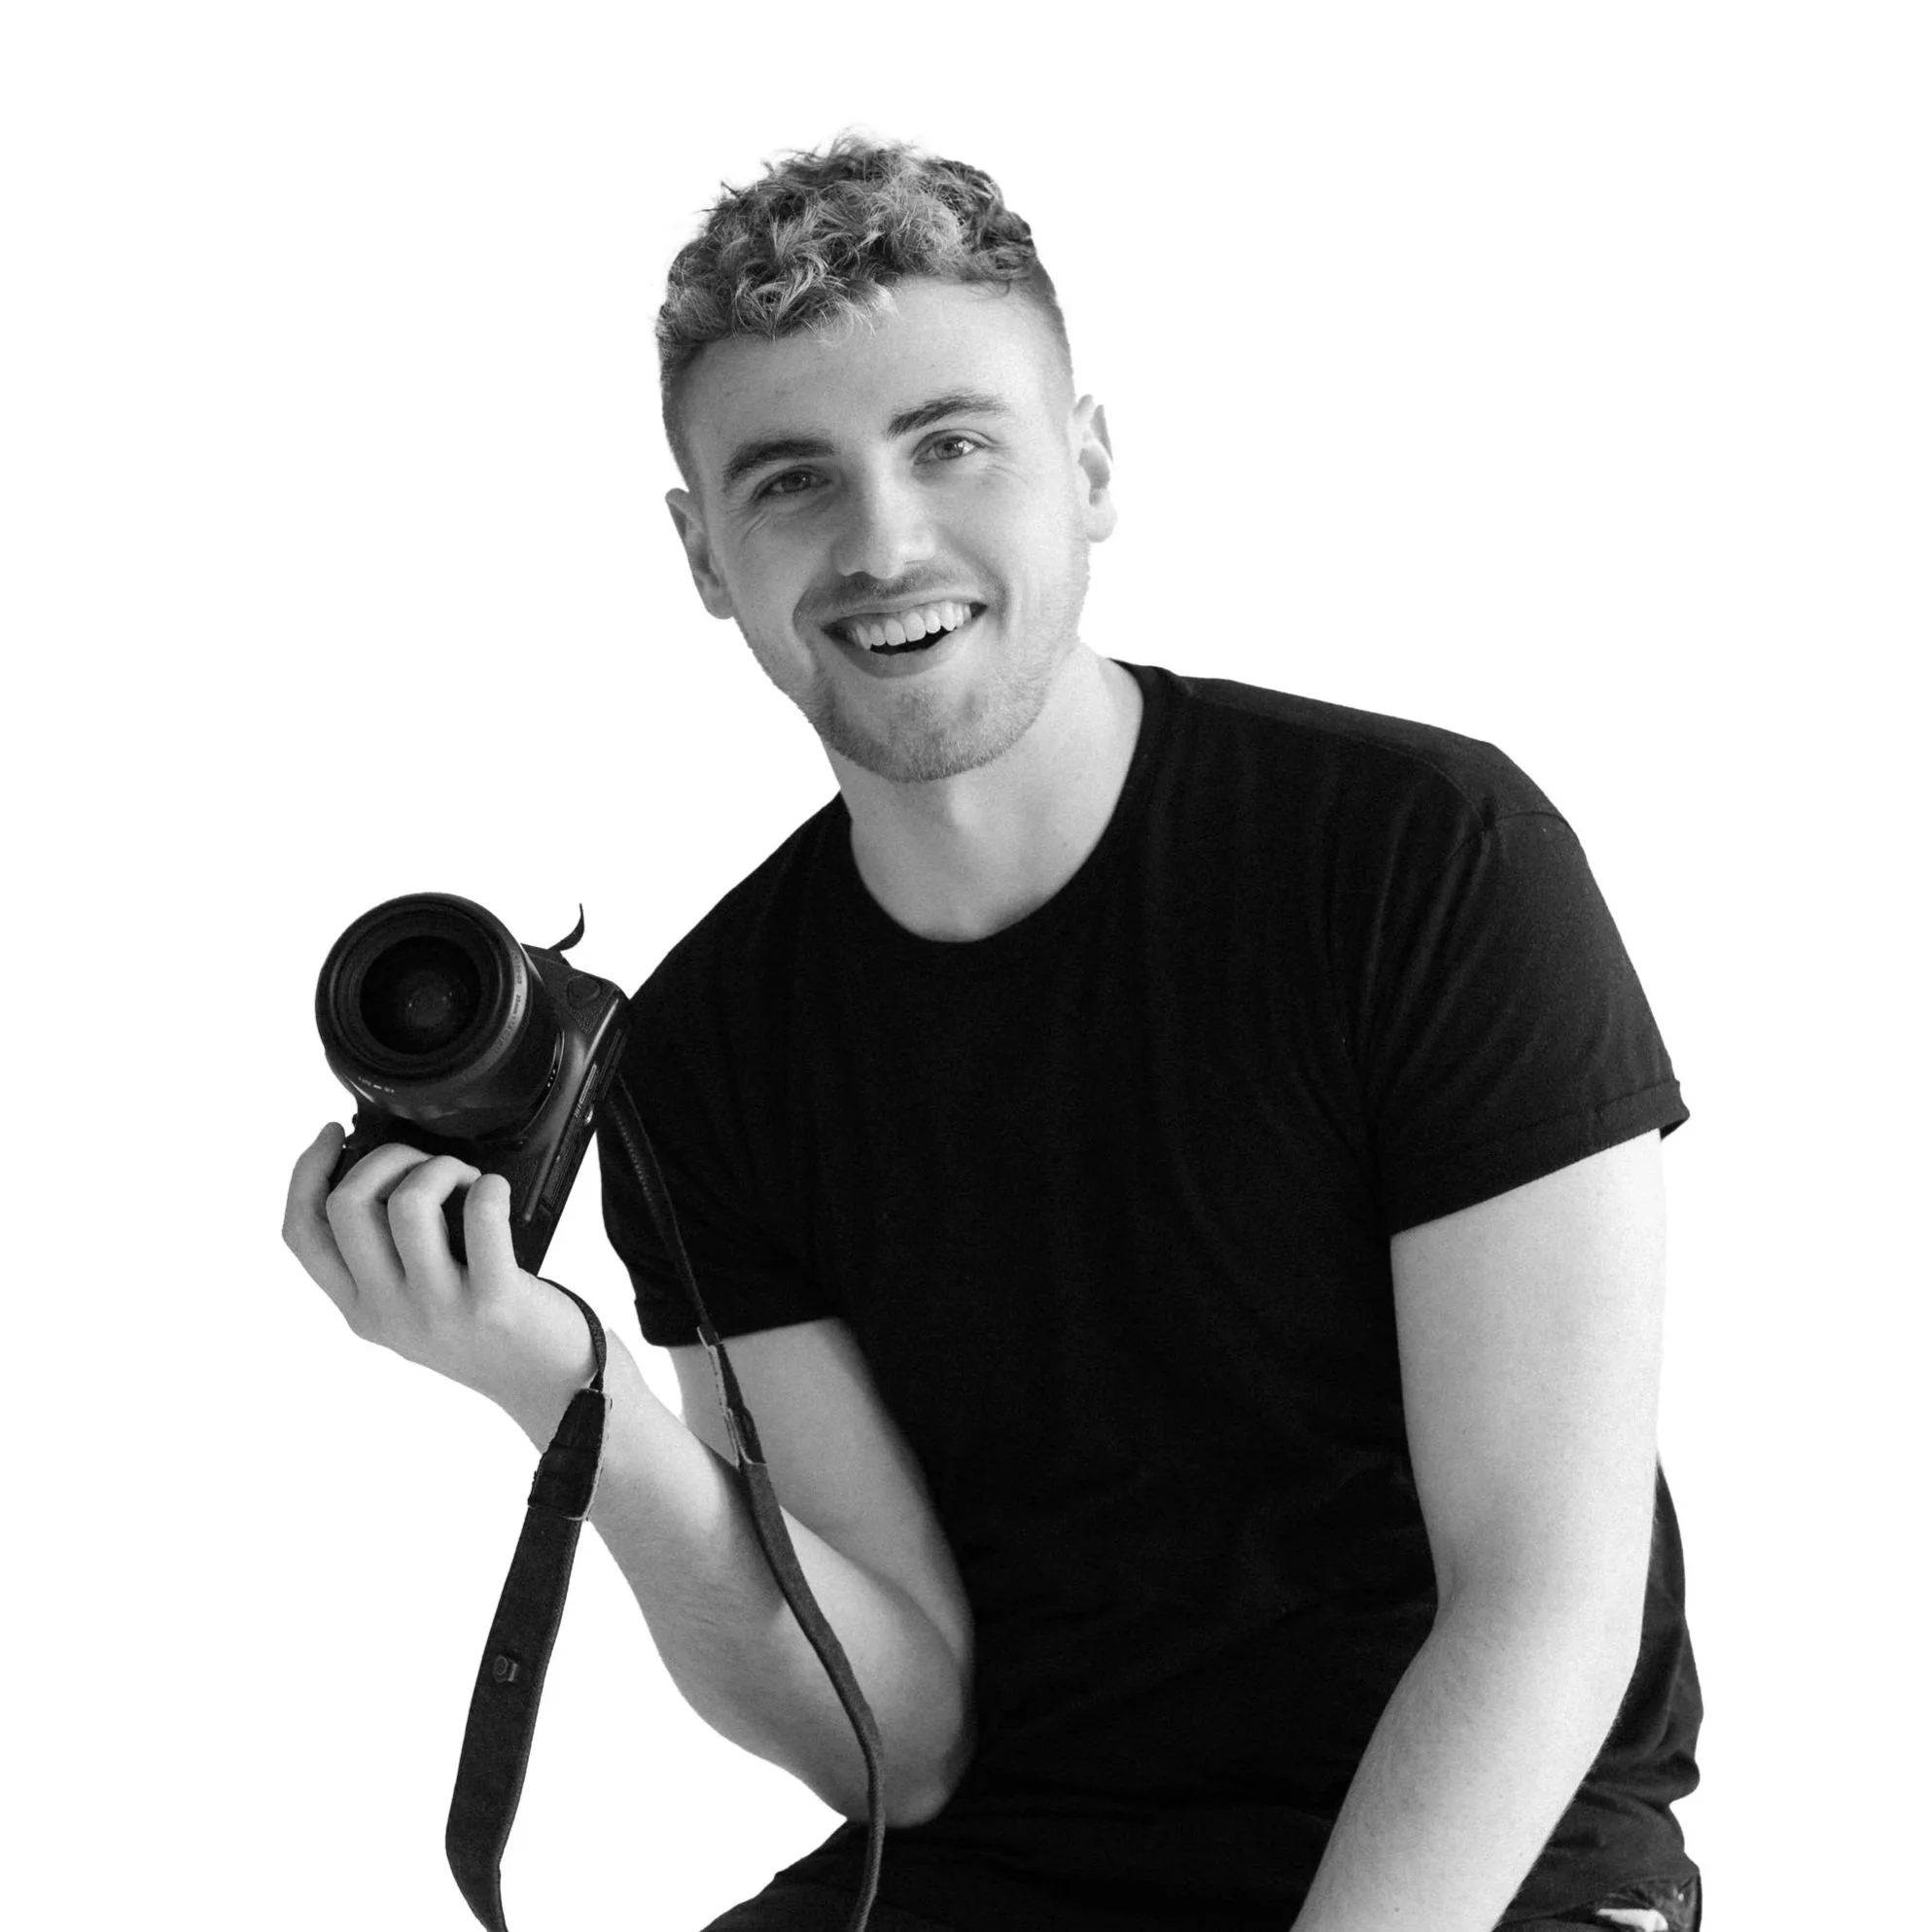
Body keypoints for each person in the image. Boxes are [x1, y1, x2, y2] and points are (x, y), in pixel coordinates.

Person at [283, 135, 1703, 1932]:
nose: (882, 542)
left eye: (951, 443)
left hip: (1486, 1865)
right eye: (790, 480)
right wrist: (570, 1395)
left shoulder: (1423, 859)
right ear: (703, 552)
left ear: (1088, 470)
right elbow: (909, 1742)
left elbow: (1543, 1606)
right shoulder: (707, 1054)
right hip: (1018, 1861)